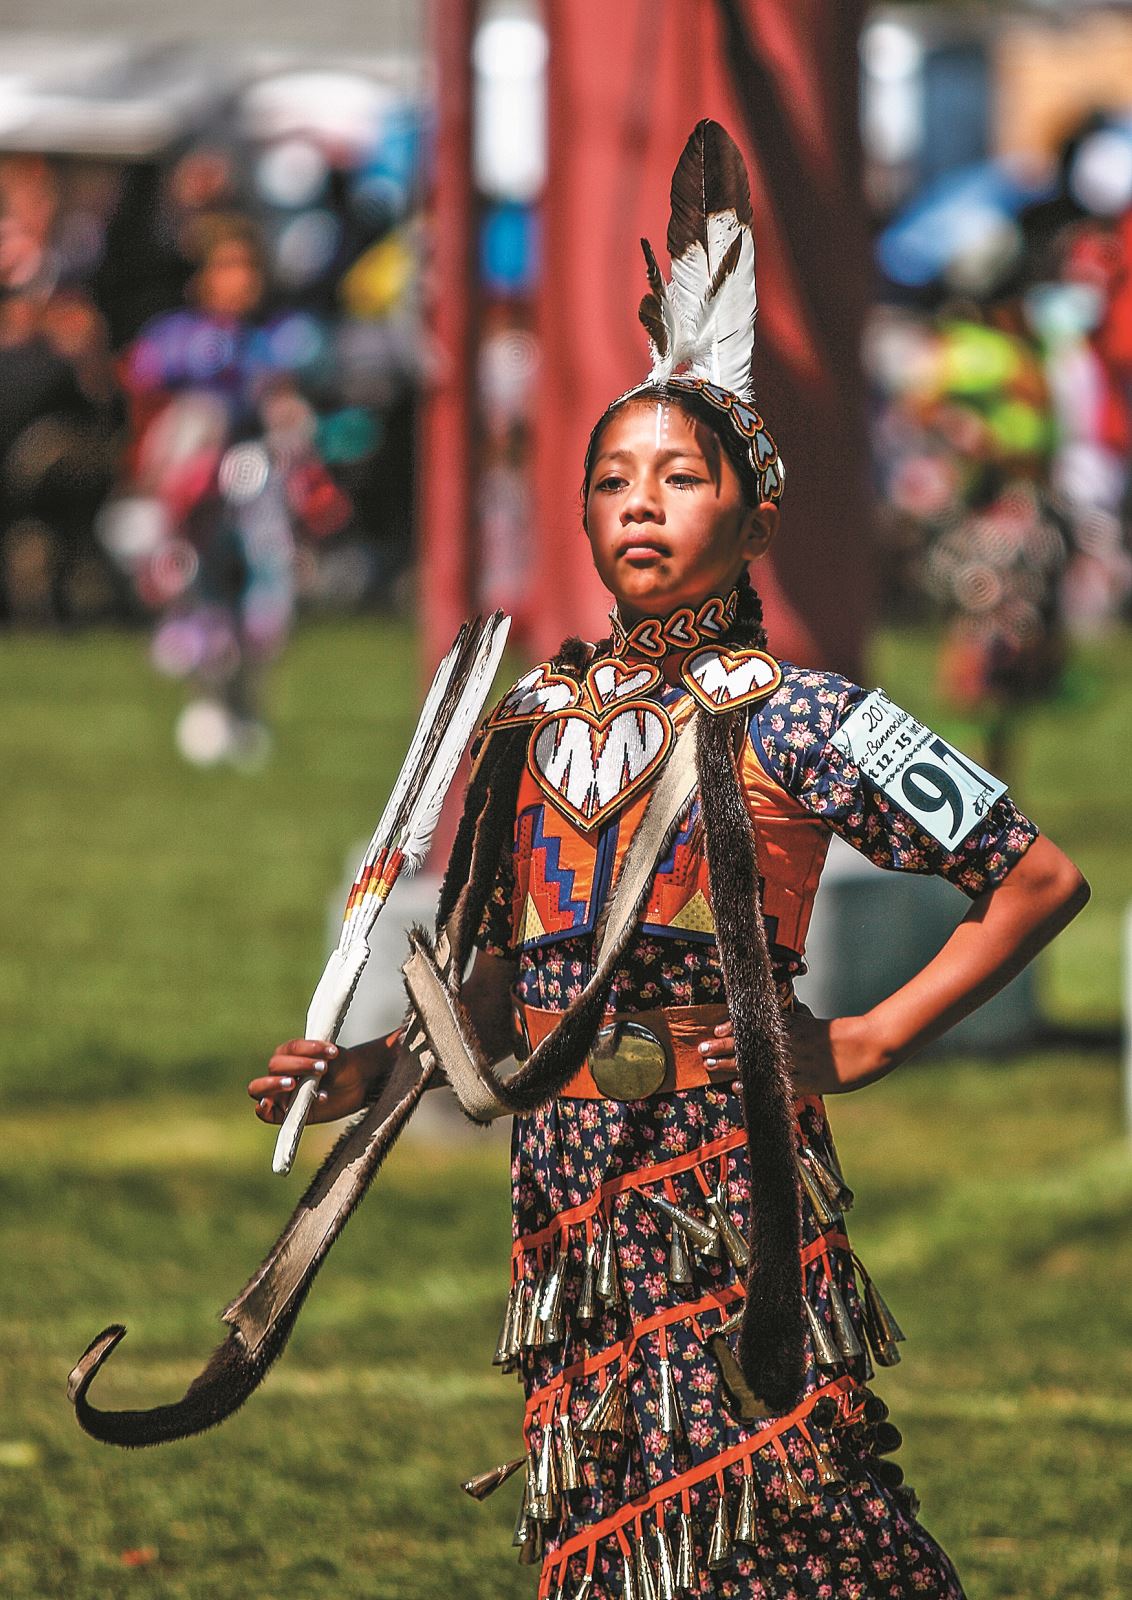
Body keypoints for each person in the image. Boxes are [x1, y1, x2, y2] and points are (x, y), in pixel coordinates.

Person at [250, 122, 1088, 1600]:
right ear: (578, 515)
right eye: (614, 480)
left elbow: (1034, 877)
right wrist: (364, 1075)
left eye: (679, 477)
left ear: (753, 513)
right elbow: (495, 986)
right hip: (565, 1185)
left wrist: (877, 1035)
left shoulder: (813, 717)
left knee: (792, 1499)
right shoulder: (529, 722)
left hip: (728, 1160)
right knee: (614, 1525)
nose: (640, 503)